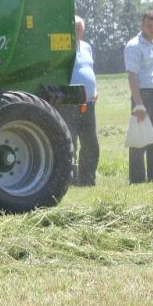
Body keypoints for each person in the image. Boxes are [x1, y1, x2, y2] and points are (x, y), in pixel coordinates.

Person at [124, 10, 153, 183]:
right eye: (149, 25)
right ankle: (136, 178)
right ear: (142, 25)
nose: (152, 28)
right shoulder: (134, 45)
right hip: (142, 95)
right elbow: (132, 76)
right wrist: (139, 104)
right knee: (139, 138)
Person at [62, 16, 99, 185]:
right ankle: (70, 177)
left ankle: (87, 177)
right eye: (74, 28)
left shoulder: (87, 47)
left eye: (79, 28)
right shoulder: (62, 47)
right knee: (70, 140)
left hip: (88, 101)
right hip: (69, 101)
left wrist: (95, 90)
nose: (77, 31)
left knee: (90, 141)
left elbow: (90, 70)